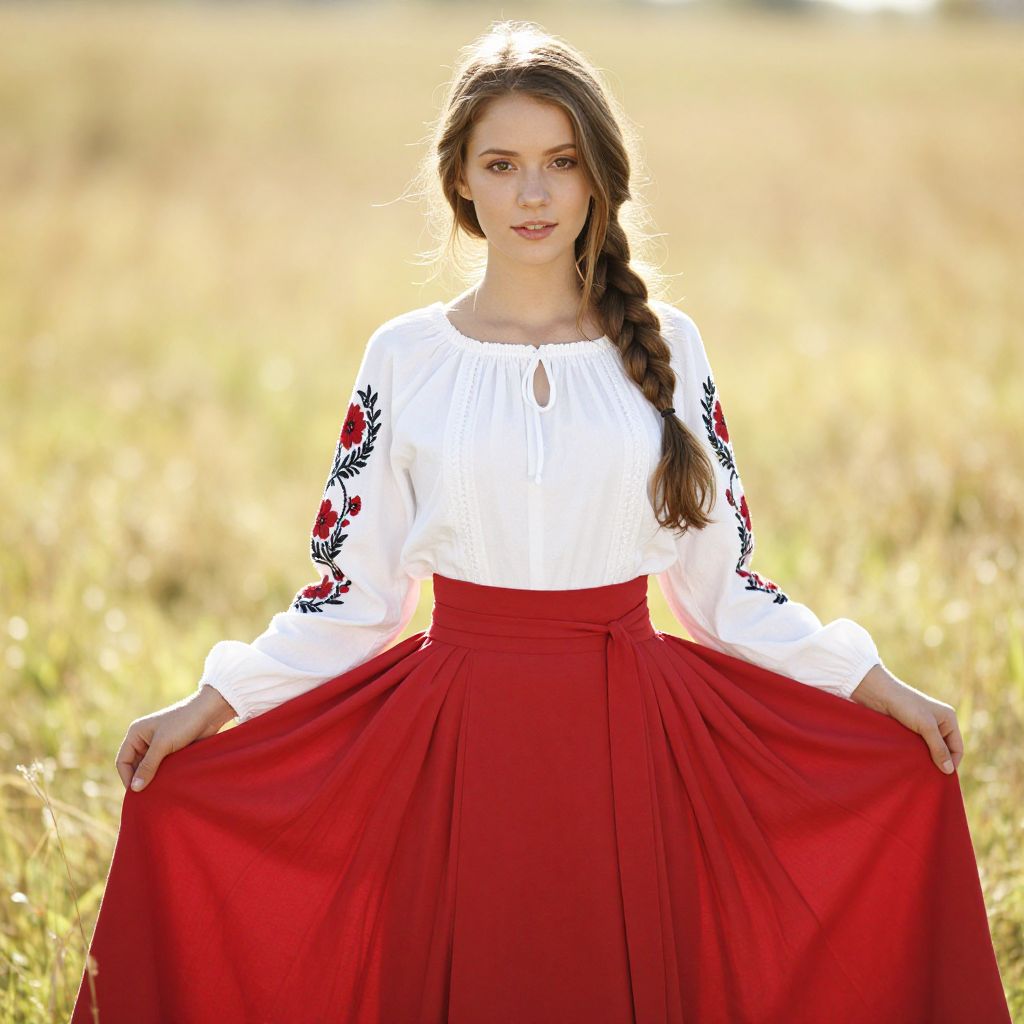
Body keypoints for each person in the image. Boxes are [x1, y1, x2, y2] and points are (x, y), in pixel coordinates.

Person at [70, 19, 1011, 1024]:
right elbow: (353, 599)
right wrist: (208, 704)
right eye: (503, 163)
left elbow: (724, 588)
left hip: (632, 741)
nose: (532, 193)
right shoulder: (405, 359)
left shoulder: (670, 349)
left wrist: (878, 690)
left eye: (560, 163)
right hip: (454, 748)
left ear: (598, 177)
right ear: (459, 182)